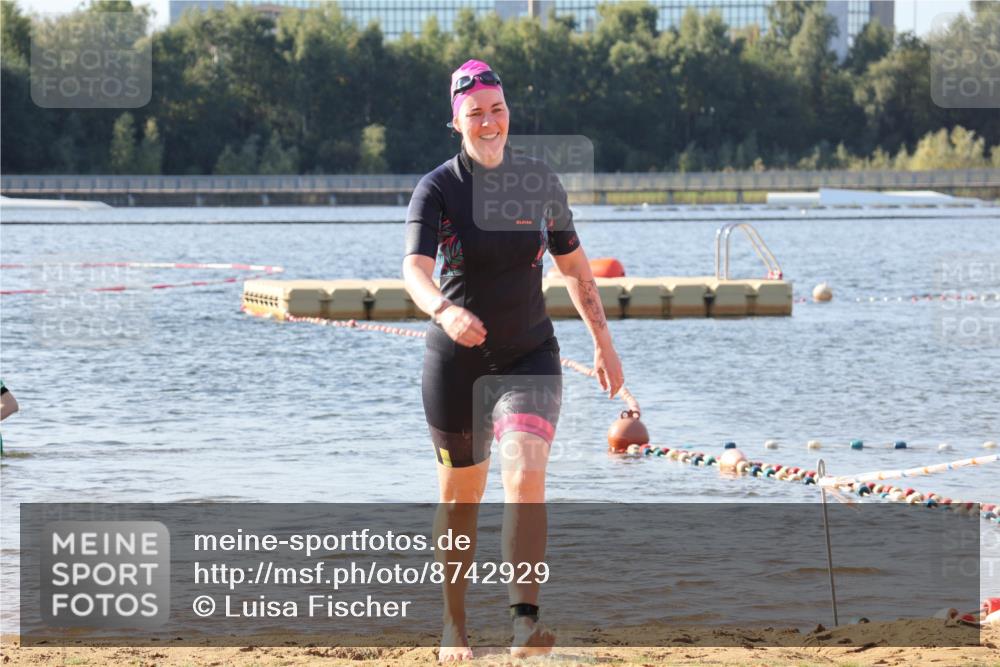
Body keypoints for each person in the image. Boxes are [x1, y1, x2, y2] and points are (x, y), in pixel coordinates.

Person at [401, 59, 625, 662]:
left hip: (529, 354)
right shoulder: (438, 189)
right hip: (457, 362)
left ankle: (525, 624)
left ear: (508, 113)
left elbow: (576, 270)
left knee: (525, 473)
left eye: (497, 109)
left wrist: (605, 345)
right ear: (456, 120)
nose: (489, 121)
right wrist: (443, 311)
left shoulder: (539, 183)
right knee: (461, 499)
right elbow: (414, 272)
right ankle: (454, 626)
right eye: (475, 113)